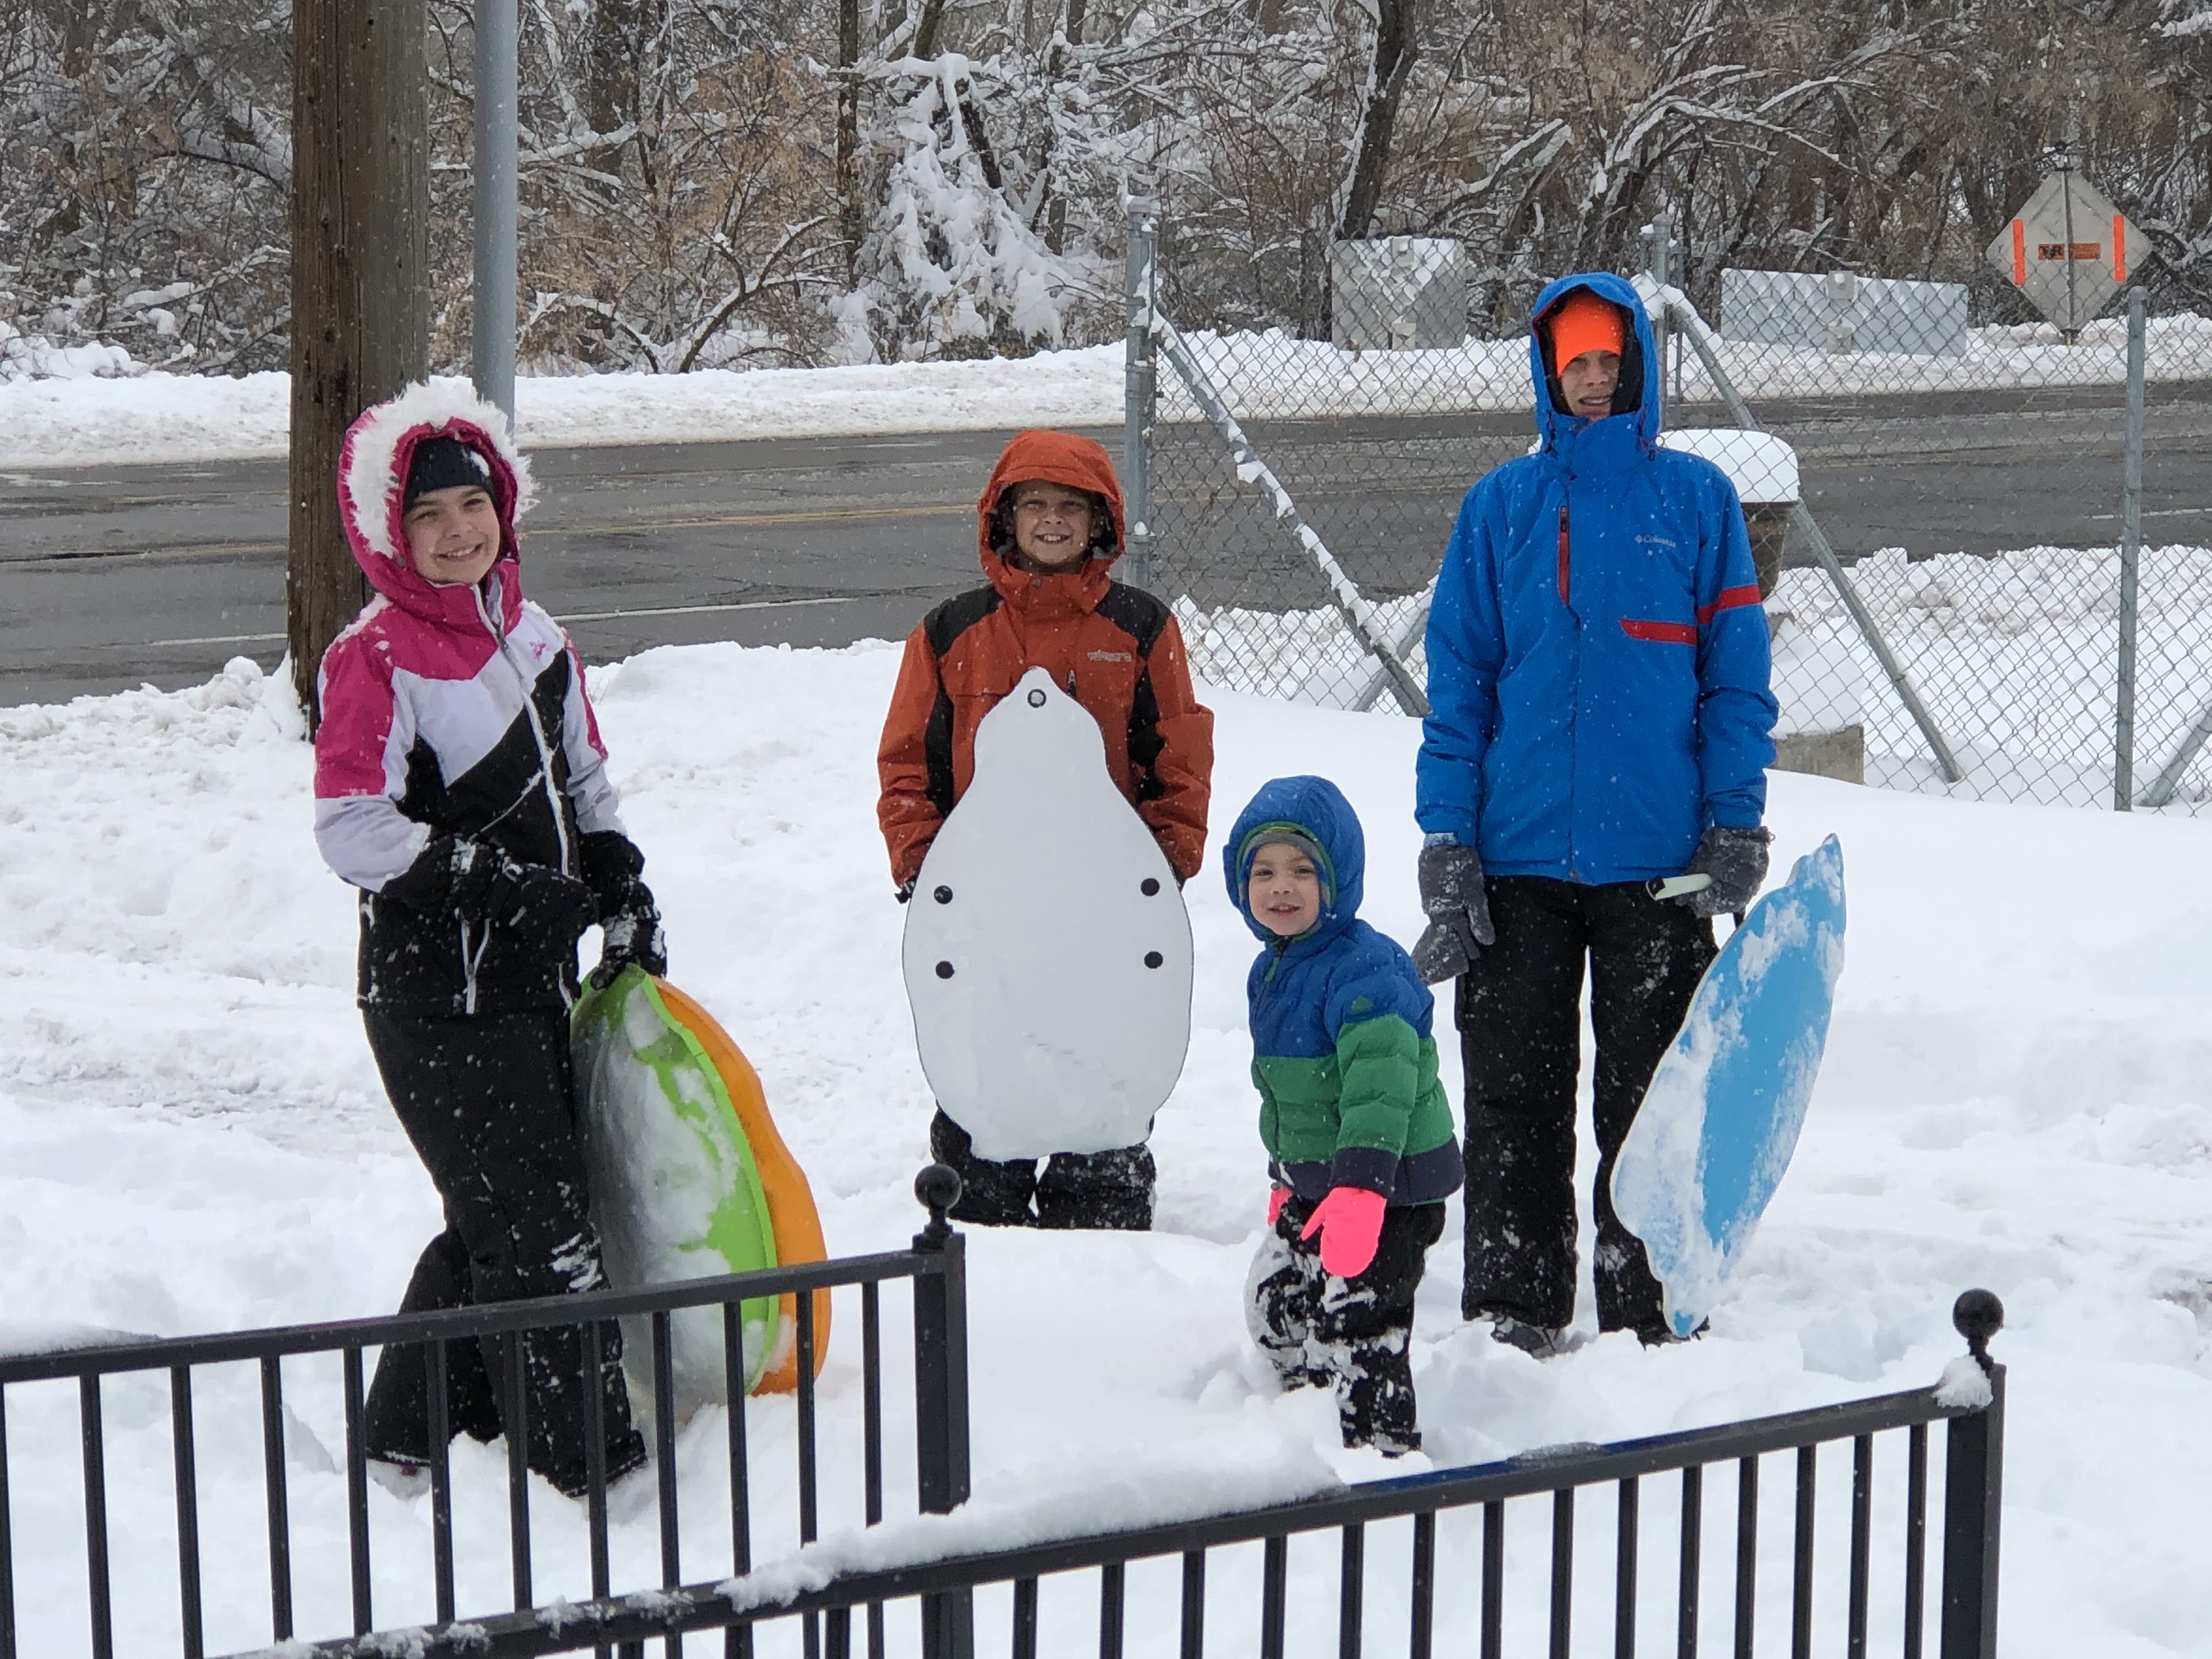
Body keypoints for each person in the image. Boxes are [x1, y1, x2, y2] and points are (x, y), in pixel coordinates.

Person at [1412, 273, 1779, 1354]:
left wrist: (1735, 821)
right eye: (1575, 362)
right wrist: (1448, 833)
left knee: (1653, 1106)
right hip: (1517, 858)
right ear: (1546, 370)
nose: (1593, 378)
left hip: (1659, 866)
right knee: (1513, 1100)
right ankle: (1514, 1308)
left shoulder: (1696, 503)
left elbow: (1736, 684)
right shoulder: (1501, 509)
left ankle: (1652, 1308)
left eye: (1609, 360)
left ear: (1637, 367)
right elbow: (1461, 683)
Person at [312, 383, 664, 1496]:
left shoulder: (538, 637)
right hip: (431, 997)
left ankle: (410, 1434)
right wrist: (502, 888)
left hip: (528, 984)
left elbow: (586, 780)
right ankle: (591, 1475)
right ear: (390, 533)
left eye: (474, 504)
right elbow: (351, 827)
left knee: (498, 1209)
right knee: (543, 1233)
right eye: (430, 517)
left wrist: (618, 877)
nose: (459, 530)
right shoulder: (373, 660)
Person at [877, 428, 1214, 1230]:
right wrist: (927, 872)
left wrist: (1161, 868)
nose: (1053, 522)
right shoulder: (952, 632)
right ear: (1004, 518)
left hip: (1101, 907)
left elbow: (1181, 755)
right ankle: (981, 1206)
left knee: (1102, 1053)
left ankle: (1099, 1207)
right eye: (1035, 506)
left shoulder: (1141, 629)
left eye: (1071, 507)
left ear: (1102, 523)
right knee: (984, 1062)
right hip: (988, 905)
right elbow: (907, 765)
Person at [1226, 776, 1459, 1454]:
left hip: (1389, 1184)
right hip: (1320, 1180)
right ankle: (1301, 1421)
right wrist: (1284, 1175)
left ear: (1339, 879)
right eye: (1263, 871)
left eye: (1304, 870)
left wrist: (1363, 1188)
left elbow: (1379, 1087)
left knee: (1360, 1325)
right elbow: (1288, 1093)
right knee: (1278, 1302)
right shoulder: (1272, 969)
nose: (1281, 887)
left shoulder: (1366, 969)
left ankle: (1380, 1454)